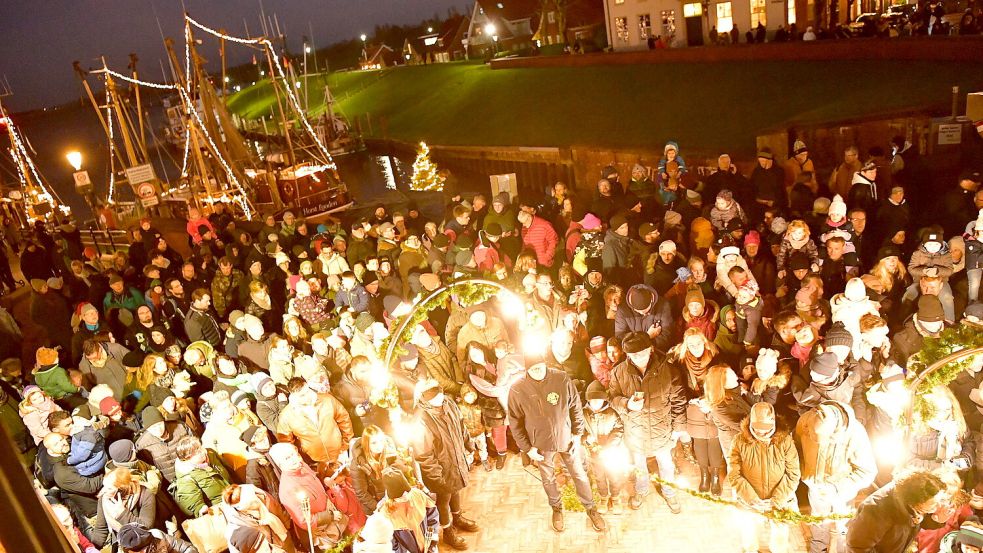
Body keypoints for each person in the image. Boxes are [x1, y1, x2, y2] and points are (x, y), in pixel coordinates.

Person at [508, 361, 606, 532]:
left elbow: (575, 406)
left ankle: (591, 508)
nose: (537, 369)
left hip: (567, 439)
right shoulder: (517, 389)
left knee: (580, 475)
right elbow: (515, 422)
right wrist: (527, 448)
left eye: (539, 365)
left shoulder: (561, 378)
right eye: (532, 367)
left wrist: (577, 435)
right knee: (548, 478)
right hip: (539, 445)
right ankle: (556, 509)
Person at [607, 332, 685, 513]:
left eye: (641, 353)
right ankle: (641, 491)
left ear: (651, 349)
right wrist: (626, 404)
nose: (638, 358)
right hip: (635, 434)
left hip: (662, 431)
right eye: (633, 355)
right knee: (639, 466)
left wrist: (678, 429)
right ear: (627, 355)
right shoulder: (618, 373)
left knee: (666, 465)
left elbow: (679, 400)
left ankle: (669, 491)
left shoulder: (669, 370)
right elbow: (612, 398)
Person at [794, 400, 877, 553]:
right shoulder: (805, 421)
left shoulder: (855, 435)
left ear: (833, 433)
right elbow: (796, 451)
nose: (812, 440)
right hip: (815, 489)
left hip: (842, 494)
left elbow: (867, 471)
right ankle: (817, 550)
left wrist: (836, 488)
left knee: (842, 529)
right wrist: (805, 475)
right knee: (818, 524)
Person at [410, 378, 479, 549]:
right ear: (425, 399)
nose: (440, 399)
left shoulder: (449, 403)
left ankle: (458, 518)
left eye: (440, 394)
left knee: (455, 490)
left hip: (455, 461)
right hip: (440, 469)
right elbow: (424, 454)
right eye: (434, 397)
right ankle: (447, 532)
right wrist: (437, 476)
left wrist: (469, 446)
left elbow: (460, 427)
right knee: (443, 499)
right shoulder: (421, 420)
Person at [728, 402, 801, 553]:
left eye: (766, 429)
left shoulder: (785, 441)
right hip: (749, 502)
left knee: (780, 539)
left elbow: (793, 474)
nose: (761, 434)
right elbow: (734, 474)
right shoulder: (739, 441)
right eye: (757, 429)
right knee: (748, 536)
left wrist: (777, 500)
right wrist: (752, 498)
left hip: (780, 502)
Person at [845, 471, 948, 552]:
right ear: (917, 502)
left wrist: (937, 519)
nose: (938, 505)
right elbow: (857, 547)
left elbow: (915, 522)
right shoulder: (876, 511)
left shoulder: (914, 503)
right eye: (934, 503)